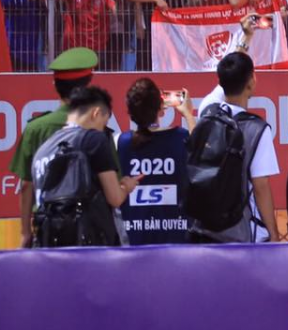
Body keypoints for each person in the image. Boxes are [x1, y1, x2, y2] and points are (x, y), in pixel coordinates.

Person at [189, 51, 282, 242]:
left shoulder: (207, 113)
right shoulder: (257, 129)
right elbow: (260, 187)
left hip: (203, 226)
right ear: (251, 82)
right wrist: (273, 233)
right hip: (242, 231)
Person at [11, 47, 98, 247]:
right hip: (88, 233)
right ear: (88, 87)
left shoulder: (35, 129)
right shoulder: (97, 130)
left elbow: (26, 185)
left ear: (55, 86)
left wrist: (25, 233)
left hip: (47, 229)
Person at [29, 86, 137, 248]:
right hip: (89, 247)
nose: (103, 128)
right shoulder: (94, 140)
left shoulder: (44, 149)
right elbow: (115, 198)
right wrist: (126, 187)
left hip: (50, 246)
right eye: (104, 122)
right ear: (96, 113)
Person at [116, 79, 195, 243]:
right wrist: (188, 114)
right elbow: (202, 158)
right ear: (161, 108)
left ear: (131, 113)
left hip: (134, 237)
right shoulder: (181, 137)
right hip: (176, 237)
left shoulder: (122, 142)